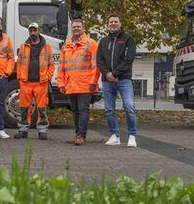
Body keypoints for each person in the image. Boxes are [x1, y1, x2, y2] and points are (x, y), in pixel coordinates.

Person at [97, 13, 138, 147]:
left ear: (120, 24)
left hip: (124, 79)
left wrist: (114, 73)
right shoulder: (103, 41)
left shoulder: (128, 39)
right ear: (108, 25)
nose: (113, 24)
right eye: (111, 22)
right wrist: (107, 74)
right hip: (107, 80)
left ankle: (132, 136)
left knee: (129, 107)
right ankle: (114, 135)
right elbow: (99, 60)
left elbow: (129, 59)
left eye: (116, 21)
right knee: (109, 109)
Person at [57, 18, 100, 145]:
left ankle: (82, 136)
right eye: (74, 27)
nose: (76, 28)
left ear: (83, 28)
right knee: (75, 111)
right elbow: (61, 66)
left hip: (86, 85)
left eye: (78, 27)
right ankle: (77, 135)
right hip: (70, 85)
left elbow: (96, 66)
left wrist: (93, 82)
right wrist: (61, 83)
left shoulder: (91, 43)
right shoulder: (66, 45)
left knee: (83, 110)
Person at [14, 22, 54, 140]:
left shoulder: (47, 47)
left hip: (41, 83)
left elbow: (51, 65)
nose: (32, 33)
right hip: (26, 82)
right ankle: (23, 131)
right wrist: (20, 78)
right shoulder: (23, 46)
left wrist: (48, 77)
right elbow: (19, 63)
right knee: (23, 108)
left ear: (38, 31)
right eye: (30, 31)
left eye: (34, 30)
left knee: (42, 108)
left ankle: (42, 131)